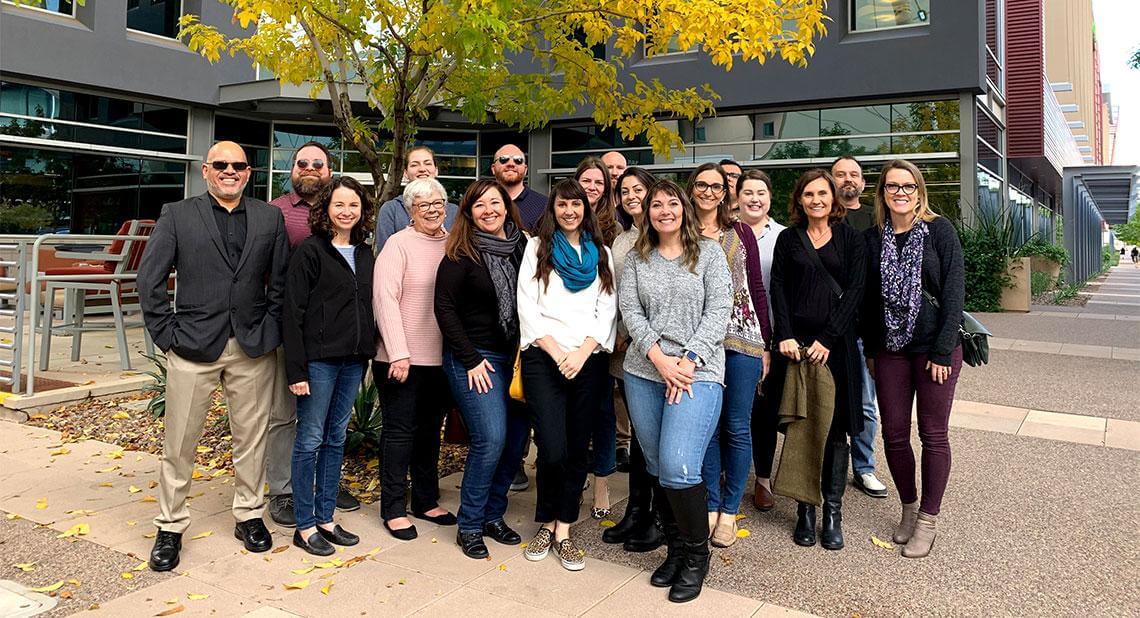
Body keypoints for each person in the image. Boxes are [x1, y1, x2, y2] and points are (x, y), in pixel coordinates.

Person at [138, 141, 288, 571]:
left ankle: (249, 515)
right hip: (191, 346)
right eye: (220, 164)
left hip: (252, 347)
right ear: (206, 171)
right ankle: (169, 526)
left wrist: (270, 331)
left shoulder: (268, 217)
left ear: (248, 173)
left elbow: (278, 284)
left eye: (238, 165)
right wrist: (167, 336)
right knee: (179, 442)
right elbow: (149, 281)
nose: (229, 171)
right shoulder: (177, 214)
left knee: (251, 440)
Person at [620, 180, 731, 603]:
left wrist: (686, 361)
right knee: (654, 463)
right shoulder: (636, 258)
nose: (664, 210)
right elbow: (630, 311)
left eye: (671, 203)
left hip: (696, 373)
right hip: (645, 372)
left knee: (679, 466)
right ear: (646, 212)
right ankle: (676, 549)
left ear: (683, 208)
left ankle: (696, 558)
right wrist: (660, 359)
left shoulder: (709, 254)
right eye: (655, 205)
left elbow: (719, 310)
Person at [861, 159, 964, 559]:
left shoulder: (939, 231)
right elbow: (868, 300)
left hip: (934, 350)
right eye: (892, 186)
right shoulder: (873, 238)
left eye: (907, 186)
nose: (900, 192)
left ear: (919, 192)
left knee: (933, 435)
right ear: (883, 194)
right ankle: (907, 507)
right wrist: (871, 348)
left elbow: (954, 291)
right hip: (889, 350)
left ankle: (927, 520)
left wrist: (942, 349)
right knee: (895, 434)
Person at [517, 179, 617, 571]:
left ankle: (563, 529)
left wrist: (582, 352)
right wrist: (558, 352)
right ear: (553, 209)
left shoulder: (602, 253)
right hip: (545, 357)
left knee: (578, 447)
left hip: (587, 360)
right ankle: (545, 520)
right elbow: (527, 305)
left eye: (577, 205)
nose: (570, 211)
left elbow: (607, 308)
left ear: (585, 209)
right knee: (552, 447)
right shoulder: (536, 249)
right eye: (562, 205)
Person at [769, 169, 866, 552]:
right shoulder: (788, 240)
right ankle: (805, 511)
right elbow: (777, 287)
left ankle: (832, 513)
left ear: (833, 199)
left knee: (835, 431)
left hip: (836, 349)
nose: (816, 200)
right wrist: (785, 336)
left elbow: (857, 289)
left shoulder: (850, 239)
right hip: (796, 349)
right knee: (802, 427)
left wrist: (828, 337)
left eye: (822, 193)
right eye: (808, 194)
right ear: (800, 200)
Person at [435, 179, 530, 560]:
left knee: (515, 441)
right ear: (469, 213)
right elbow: (444, 309)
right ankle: (470, 524)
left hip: (518, 358)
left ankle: (494, 514)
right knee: (490, 437)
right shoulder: (460, 253)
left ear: (507, 206)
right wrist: (471, 359)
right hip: (475, 359)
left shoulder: (523, 247)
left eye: (495, 202)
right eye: (480, 205)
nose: (489, 210)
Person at [267, 141, 360, 528]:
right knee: (285, 415)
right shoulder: (276, 212)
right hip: (287, 328)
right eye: (301, 163)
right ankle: (284, 490)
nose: (309, 168)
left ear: (329, 171)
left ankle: (323, 485)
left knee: (327, 422)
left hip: (333, 339)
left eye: (317, 164)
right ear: (292, 170)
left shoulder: (349, 225)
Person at [282, 176, 377, 556]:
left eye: (353, 205)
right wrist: (297, 370)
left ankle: (326, 518)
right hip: (318, 362)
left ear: (362, 210)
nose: (346, 211)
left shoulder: (367, 253)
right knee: (310, 440)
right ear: (326, 209)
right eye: (339, 204)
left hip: (353, 360)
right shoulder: (310, 251)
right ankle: (303, 525)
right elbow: (292, 312)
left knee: (336, 438)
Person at [686, 163, 771, 547]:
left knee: (736, 425)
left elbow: (756, 286)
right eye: (701, 184)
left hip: (741, 338)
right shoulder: (680, 230)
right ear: (692, 189)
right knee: (706, 426)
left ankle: (729, 511)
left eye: (716, 186)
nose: (708, 191)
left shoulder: (741, 233)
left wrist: (765, 344)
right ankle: (710, 504)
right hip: (697, 341)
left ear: (727, 192)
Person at [374, 177, 458, 540]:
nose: (432, 210)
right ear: (410, 210)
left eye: (437, 202)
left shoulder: (454, 244)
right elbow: (385, 300)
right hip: (401, 358)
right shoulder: (398, 244)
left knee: (429, 433)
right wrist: (399, 352)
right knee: (399, 432)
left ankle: (425, 500)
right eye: (423, 205)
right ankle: (392, 507)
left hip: (441, 358)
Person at [602, 167, 665, 552]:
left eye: (638, 189)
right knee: (640, 436)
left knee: (654, 437)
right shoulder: (622, 240)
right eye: (624, 191)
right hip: (626, 350)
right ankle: (637, 510)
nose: (630, 196)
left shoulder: (666, 237)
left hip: (659, 352)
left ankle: (659, 516)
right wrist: (620, 332)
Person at [830, 155, 888, 499]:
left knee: (866, 403)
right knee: (830, 400)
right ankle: (826, 466)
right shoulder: (821, 220)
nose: (847, 179)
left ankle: (864, 467)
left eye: (854, 174)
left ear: (863, 184)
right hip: (830, 328)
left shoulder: (875, 222)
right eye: (840, 174)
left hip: (865, 326)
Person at [736, 170, 787, 513]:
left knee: (764, 410)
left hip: (773, 333)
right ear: (737, 196)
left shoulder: (783, 236)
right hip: (733, 334)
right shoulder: (726, 233)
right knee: (734, 408)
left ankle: (764, 478)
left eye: (761, 192)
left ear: (770, 197)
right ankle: (730, 471)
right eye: (748, 192)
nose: (755, 198)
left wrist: (770, 341)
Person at [574, 156, 621, 520]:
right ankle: (569, 480)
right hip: (562, 336)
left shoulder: (613, 230)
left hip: (601, 337)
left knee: (603, 414)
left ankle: (601, 483)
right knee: (565, 413)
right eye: (586, 181)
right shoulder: (557, 220)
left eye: (598, 183)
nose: (591, 188)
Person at [374, 145, 459, 252]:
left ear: (436, 170)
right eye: (414, 165)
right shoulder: (391, 209)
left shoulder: (454, 211)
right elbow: (385, 254)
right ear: (405, 173)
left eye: (427, 163)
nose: (422, 169)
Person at [491, 144, 547, 232]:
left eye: (518, 160)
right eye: (504, 159)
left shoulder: (544, 205)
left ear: (525, 170)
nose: (511, 164)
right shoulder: (479, 203)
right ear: (493, 168)